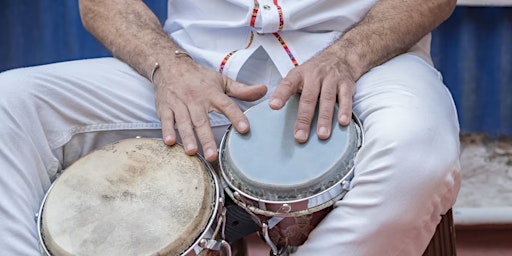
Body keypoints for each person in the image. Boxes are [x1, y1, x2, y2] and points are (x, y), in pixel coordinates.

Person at [0, 0, 461, 255]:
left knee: (416, 146)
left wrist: (347, 57)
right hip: (194, 69)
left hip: (357, 65)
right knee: (11, 105)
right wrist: (169, 67)